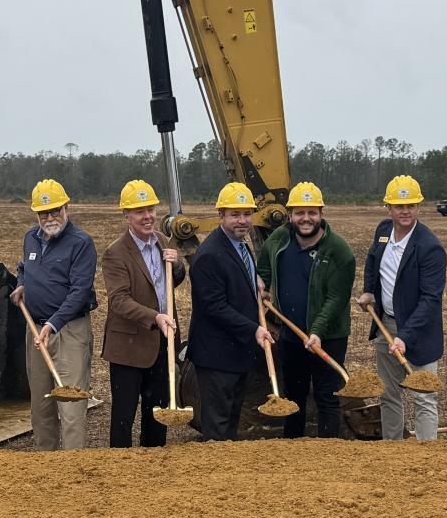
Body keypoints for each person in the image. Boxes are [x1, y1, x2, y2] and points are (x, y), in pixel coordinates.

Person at [259, 181, 353, 438]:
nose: (306, 218)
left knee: (327, 396)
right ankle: (293, 450)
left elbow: (337, 298)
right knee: (294, 397)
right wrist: (263, 283)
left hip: (328, 338)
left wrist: (318, 332)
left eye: (312, 212)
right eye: (300, 212)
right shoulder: (279, 238)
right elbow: (265, 264)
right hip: (290, 334)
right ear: (290, 215)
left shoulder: (339, 251)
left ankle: (327, 452)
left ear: (321, 214)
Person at [357, 174, 446, 441]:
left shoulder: (430, 247)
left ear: (419, 206)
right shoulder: (384, 231)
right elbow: (373, 260)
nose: (405, 211)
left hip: (419, 331)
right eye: (398, 206)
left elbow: (431, 299)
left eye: (410, 206)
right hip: (387, 323)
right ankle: (392, 451)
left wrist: (404, 337)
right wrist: (369, 290)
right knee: (388, 393)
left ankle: (426, 455)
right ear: (388, 208)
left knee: (424, 396)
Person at [100, 179, 186, 448]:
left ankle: (153, 467)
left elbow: (171, 281)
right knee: (124, 416)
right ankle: (120, 470)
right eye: (139, 211)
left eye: (151, 209)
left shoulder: (162, 242)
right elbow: (119, 301)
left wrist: (179, 264)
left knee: (157, 413)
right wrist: (155, 317)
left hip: (162, 343)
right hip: (128, 346)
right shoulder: (115, 253)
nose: (147, 216)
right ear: (126, 214)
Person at [18, 178, 97, 451]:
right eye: (43, 212)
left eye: (55, 210)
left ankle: (72, 470)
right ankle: (47, 467)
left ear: (67, 208)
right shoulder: (30, 238)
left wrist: (53, 324)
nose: (50, 217)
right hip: (36, 332)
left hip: (69, 332)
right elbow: (22, 267)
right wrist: (20, 284)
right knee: (41, 407)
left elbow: (80, 291)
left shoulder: (81, 243)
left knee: (71, 407)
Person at [187, 183, 271, 440]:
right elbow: (214, 307)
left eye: (247, 214)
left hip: (236, 352)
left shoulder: (240, 246)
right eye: (235, 215)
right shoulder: (210, 254)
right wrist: (254, 328)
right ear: (220, 215)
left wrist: (253, 280)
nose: (243, 221)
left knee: (232, 424)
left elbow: (235, 279)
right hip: (216, 357)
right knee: (217, 429)